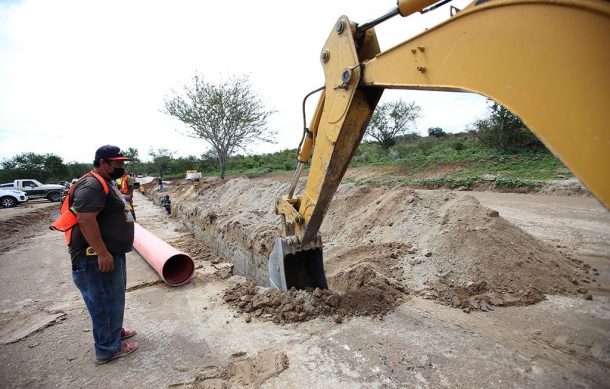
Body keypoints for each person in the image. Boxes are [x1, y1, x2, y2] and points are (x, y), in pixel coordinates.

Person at [69, 145, 139, 364]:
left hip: (110, 254)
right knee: (103, 301)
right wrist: (102, 253)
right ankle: (108, 350)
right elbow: (85, 219)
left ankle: (114, 334)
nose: (122, 166)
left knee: (113, 298)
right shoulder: (91, 185)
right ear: (102, 163)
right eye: (117, 163)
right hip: (95, 258)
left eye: (122, 163)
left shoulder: (106, 181)